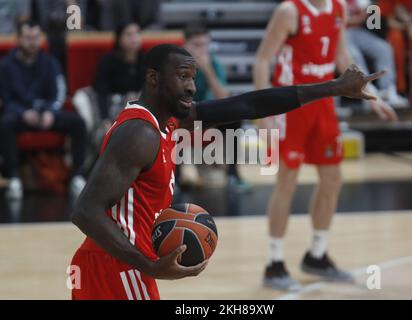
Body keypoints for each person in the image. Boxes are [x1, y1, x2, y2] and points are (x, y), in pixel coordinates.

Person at [70, 43, 387, 300]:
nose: (192, 87)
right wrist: (148, 265)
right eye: (182, 77)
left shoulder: (167, 120)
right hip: (116, 269)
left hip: (113, 264)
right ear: (153, 79)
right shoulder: (141, 133)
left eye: (193, 78)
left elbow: (248, 106)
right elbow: (85, 211)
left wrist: (333, 87)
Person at [253, 0, 397, 291]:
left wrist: (372, 96)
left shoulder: (337, 8)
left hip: (323, 104)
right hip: (291, 104)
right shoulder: (289, 12)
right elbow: (262, 60)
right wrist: (263, 111)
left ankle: (317, 255)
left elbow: (342, 54)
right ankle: (274, 263)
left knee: (333, 178)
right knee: (287, 181)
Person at [0, 20, 87, 200]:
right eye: (28, 38)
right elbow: (5, 99)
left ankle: (77, 174)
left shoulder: (50, 62)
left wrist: (50, 112)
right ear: (18, 39)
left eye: (36, 37)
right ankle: (14, 177)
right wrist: (23, 113)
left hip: (47, 114)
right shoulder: (5, 65)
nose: (32, 42)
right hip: (20, 115)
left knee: (77, 122)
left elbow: (59, 93)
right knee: (5, 124)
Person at [182, 24, 250, 192]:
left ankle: (233, 175)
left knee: (234, 117)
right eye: (196, 45)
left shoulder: (213, 63)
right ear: (185, 45)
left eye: (204, 45)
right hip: (181, 116)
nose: (201, 50)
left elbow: (223, 96)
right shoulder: (175, 64)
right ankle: (175, 180)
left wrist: (207, 70)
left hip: (205, 117)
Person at [346, 0, 409, 108]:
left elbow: (363, 16)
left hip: (358, 31)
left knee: (384, 48)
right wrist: (350, 20)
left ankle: (388, 90)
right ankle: (367, 91)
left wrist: (349, 19)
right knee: (354, 55)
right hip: (340, 33)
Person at [93, 22, 145, 131]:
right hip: (112, 105)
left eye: (137, 33)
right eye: (129, 34)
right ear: (119, 38)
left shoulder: (146, 59)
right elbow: (101, 92)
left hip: (137, 107)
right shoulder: (108, 61)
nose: (134, 38)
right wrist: (105, 118)